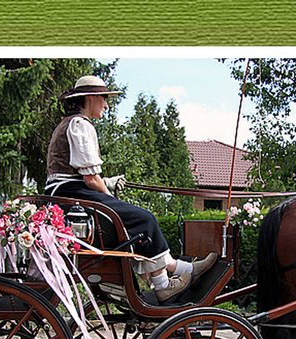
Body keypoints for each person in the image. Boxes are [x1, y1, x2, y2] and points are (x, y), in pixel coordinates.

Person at [44, 75, 216, 303]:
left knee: (138, 220)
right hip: (73, 195)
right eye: (104, 98)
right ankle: (165, 284)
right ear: (91, 98)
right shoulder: (80, 125)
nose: (106, 105)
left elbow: (83, 174)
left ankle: (179, 270)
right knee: (144, 219)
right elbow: (90, 179)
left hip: (67, 194)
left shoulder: (70, 123)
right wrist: (110, 201)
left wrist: (107, 184)